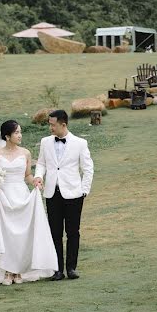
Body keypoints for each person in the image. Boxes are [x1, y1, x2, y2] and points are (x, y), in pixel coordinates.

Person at [0, 120, 58, 285]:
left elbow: (27, 175)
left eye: (20, 132)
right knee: (6, 234)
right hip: (3, 197)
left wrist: (36, 181)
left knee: (22, 235)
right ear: (7, 136)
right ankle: (7, 270)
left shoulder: (25, 153)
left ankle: (19, 270)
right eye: (17, 132)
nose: (20, 135)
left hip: (21, 195)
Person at [33, 109, 94, 281]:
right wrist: (38, 176)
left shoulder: (80, 143)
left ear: (63, 124)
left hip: (74, 194)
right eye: (49, 124)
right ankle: (57, 270)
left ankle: (71, 268)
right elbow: (42, 163)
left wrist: (84, 190)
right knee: (55, 232)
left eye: (53, 125)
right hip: (52, 193)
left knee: (73, 232)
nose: (50, 128)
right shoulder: (45, 142)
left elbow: (88, 168)